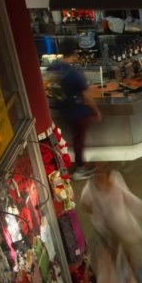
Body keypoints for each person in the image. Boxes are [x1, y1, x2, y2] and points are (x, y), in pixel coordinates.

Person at [81, 163, 142, 283]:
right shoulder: (89, 190)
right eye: (97, 172)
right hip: (107, 236)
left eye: (103, 171)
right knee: (119, 271)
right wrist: (98, 217)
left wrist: (141, 209)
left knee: (137, 268)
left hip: (125, 231)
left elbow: (128, 197)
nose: (101, 176)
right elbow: (85, 205)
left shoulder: (116, 179)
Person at [49, 40, 102, 179]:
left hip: (64, 109)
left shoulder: (55, 66)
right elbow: (87, 96)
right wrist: (96, 111)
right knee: (79, 139)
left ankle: (79, 165)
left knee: (75, 138)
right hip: (78, 112)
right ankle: (80, 169)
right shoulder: (75, 73)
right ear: (74, 53)